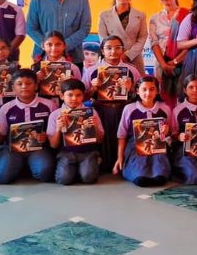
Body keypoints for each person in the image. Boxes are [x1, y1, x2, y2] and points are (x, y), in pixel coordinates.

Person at [82, 35, 142, 172]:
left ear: (123, 50)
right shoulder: (92, 71)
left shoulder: (132, 70)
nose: (113, 51)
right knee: (104, 141)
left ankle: (124, 164)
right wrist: (93, 89)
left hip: (124, 110)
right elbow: (82, 96)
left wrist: (132, 89)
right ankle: (104, 166)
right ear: (102, 51)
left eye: (117, 48)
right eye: (109, 48)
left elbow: (141, 94)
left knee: (123, 138)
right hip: (101, 110)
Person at [0, 69, 58, 184]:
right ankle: (20, 165)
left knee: (45, 174)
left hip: (39, 148)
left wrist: (46, 136)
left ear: (36, 86)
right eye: (19, 84)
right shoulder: (6, 108)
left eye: (28, 83)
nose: (24, 87)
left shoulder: (49, 105)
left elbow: (55, 135)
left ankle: (26, 166)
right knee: (2, 177)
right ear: (13, 88)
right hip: (12, 150)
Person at [27, 0, 92, 69]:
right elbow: (30, 28)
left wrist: (65, 45)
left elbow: (85, 28)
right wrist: (48, 46)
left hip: (73, 56)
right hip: (43, 56)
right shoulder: (37, 0)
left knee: (73, 80)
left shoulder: (81, 0)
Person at [113, 76, 174, 186]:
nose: (148, 93)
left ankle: (158, 174)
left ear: (157, 91)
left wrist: (166, 131)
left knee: (160, 169)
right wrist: (120, 157)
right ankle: (138, 174)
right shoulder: (129, 109)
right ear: (137, 91)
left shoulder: (165, 109)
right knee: (139, 172)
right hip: (134, 144)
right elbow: (121, 136)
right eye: (144, 89)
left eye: (152, 89)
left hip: (158, 144)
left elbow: (170, 132)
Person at [47, 79, 105, 185]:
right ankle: (75, 169)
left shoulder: (91, 112)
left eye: (78, 95)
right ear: (61, 96)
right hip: (66, 153)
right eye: (70, 95)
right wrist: (58, 129)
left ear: (83, 96)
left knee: (88, 178)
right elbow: (53, 145)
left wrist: (95, 126)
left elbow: (100, 140)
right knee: (64, 179)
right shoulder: (55, 115)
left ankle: (90, 164)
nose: (74, 98)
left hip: (88, 152)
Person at [149, 0, 189, 107]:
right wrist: (164, 65)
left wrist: (176, 61)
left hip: (184, 61)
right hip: (162, 63)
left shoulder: (187, 15)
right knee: (163, 96)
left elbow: (191, 42)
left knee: (184, 94)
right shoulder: (154, 18)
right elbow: (154, 42)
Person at [98, 0, 149, 74]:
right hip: (111, 57)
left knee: (137, 81)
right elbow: (103, 38)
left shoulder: (140, 15)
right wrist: (114, 52)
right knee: (111, 81)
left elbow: (142, 37)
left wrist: (128, 55)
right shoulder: (104, 15)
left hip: (134, 57)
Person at [30, 31, 82, 107]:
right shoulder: (36, 67)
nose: (54, 48)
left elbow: (80, 92)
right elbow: (30, 92)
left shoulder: (73, 68)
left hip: (65, 107)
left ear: (64, 46)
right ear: (43, 46)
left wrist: (74, 83)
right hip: (42, 107)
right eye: (49, 44)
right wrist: (35, 80)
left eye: (58, 44)